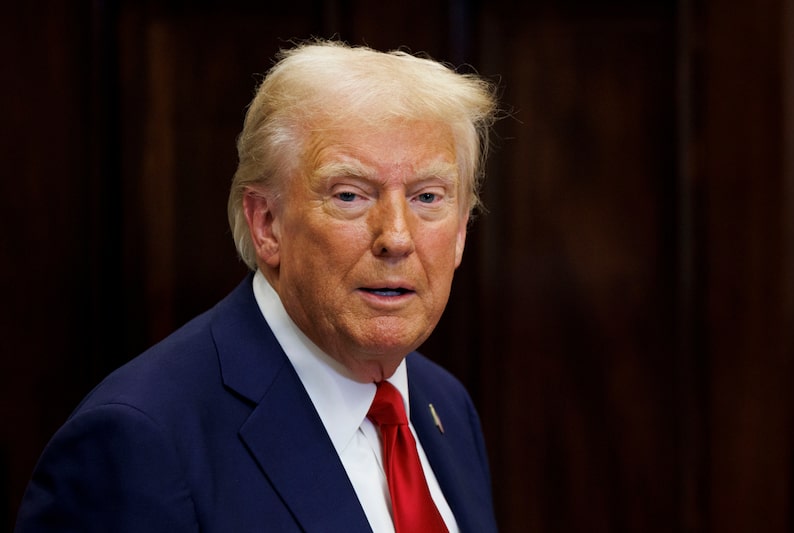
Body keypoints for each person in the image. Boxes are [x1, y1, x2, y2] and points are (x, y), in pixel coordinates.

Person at [15, 39, 499, 532]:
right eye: (350, 194)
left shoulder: (445, 405)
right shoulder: (139, 443)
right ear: (267, 224)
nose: (396, 236)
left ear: (461, 230)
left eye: (428, 196)